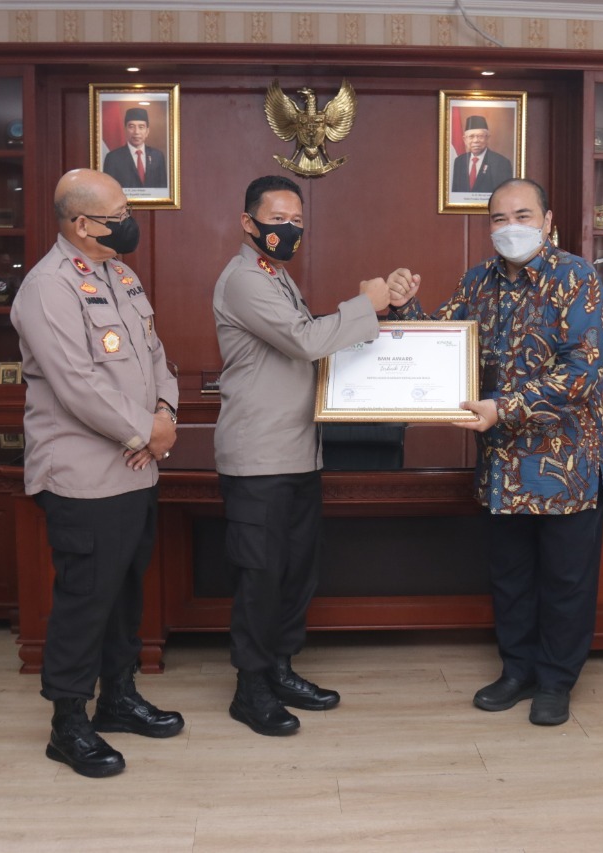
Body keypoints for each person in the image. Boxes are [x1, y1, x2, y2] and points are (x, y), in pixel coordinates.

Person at [388, 178, 603, 727]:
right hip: (503, 466)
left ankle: (555, 681)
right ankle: (517, 671)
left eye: (523, 215)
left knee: (565, 581)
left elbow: (581, 373)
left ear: (548, 220)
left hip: (565, 465)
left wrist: (503, 406)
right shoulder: (477, 281)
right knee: (511, 578)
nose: (511, 227)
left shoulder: (576, 277)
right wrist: (404, 303)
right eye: (499, 218)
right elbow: (439, 345)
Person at [213, 174, 410, 736]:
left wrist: (384, 311)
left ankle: (279, 668)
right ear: (248, 223)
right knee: (260, 576)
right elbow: (304, 341)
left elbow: (313, 337)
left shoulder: (277, 277)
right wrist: (365, 304)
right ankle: (250, 689)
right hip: (259, 456)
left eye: (297, 221)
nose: (289, 229)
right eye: (277, 219)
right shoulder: (244, 280)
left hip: (298, 452)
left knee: (295, 572)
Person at [11, 168, 184, 778]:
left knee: (124, 592)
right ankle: (67, 723)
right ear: (82, 224)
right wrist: (145, 432)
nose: (130, 223)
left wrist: (164, 416)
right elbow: (76, 384)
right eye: (119, 215)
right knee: (85, 601)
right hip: (83, 476)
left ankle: (118, 697)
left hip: (136, 468)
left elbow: (156, 355)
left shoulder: (121, 274)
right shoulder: (48, 287)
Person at [101, 107, 167, 189]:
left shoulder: (157, 156)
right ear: (125, 130)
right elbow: (109, 189)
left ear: (147, 131)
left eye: (141, 127)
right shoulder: (112, 158)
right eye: (131, 127)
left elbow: (163, 188)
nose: (136, 132)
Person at [450, 116, 514, 194]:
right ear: (465, 139)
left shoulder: (501, 163)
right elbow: (455, 192)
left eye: (480, 136)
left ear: (487, 138)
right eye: (471, 136)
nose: (475, 140)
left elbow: (504, 194)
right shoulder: (459, 161)